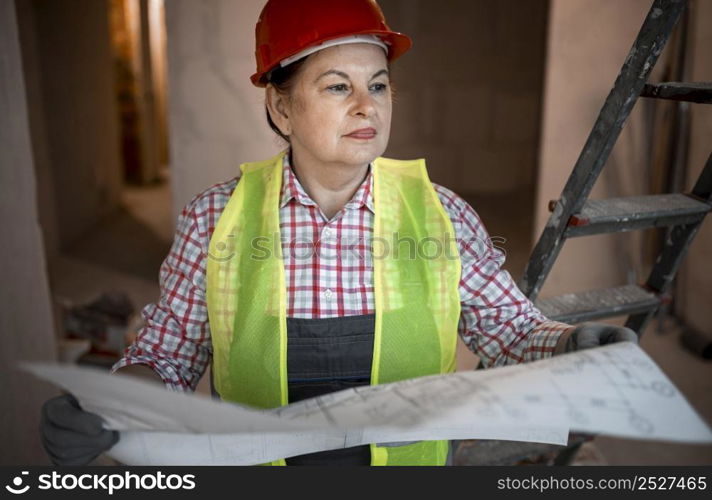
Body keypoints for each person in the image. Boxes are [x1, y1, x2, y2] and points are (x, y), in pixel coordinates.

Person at [40, 0, 638, 466]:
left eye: (378, 84)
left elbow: (509, 330)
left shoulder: (443, 215)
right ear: (281, 108)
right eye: (337, 86)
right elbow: (166, 358)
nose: (367, 106)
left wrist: (568, 347)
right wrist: (109, 409)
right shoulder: (214, 220)